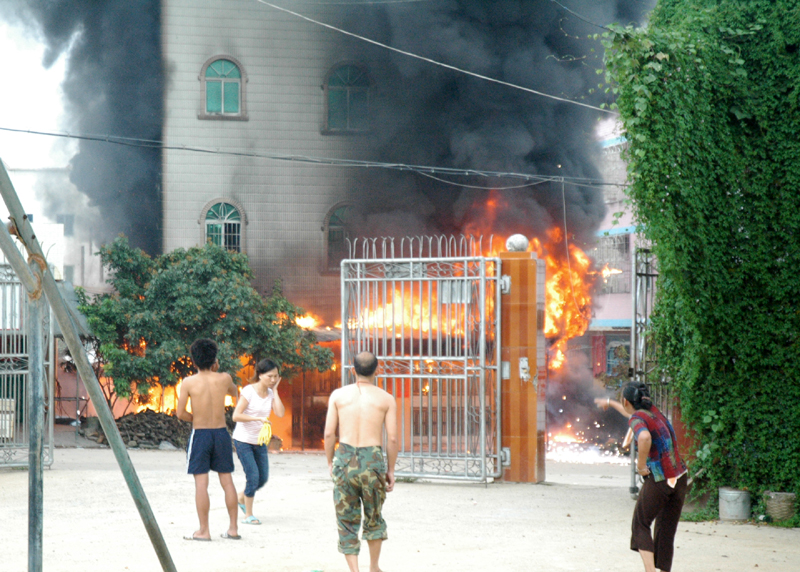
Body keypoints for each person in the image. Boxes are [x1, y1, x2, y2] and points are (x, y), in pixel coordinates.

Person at [595, 382, 688, 572]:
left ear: (626, 401)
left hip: (662, 478)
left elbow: (644, 437)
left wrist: (640, 465)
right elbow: (630, 412)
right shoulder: (653, 411)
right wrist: (610, 403)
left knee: (641, 524)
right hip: (680, 477)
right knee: (665, 530)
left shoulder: (637, 419)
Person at [324, 351, 398, 572]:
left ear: (352, 369)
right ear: (377, 370)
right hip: (372, 460)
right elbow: (392, 438)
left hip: (344, 458)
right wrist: (391, 470)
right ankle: (374, 567)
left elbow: (329, 434)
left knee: (346, 520)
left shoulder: (338, 396)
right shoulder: (386, 398)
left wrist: (330, 462)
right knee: (374, 516)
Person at [177, 338, 241, 541]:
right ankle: (233, 529)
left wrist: (195, 418)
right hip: (221, 433)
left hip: (201, 434)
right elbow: (236, 392)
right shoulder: (224, 378)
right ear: (215, 360)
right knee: (227, 481)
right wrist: (217, 370)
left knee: (201, 484)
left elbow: (180, 413)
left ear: (193, 361)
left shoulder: (188, 382)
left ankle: (204, 531)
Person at [231, 358, 285, 525]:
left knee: (262, 478)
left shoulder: (270, 393)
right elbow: (236, 416)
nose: (273, 379)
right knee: (253, 476)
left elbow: (280, 413)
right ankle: (248, 515)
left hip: (260, 441)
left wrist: (275, 391)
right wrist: (257, 419)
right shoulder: (249, 391)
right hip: (243, 440)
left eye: (276, 376)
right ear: (260, 375)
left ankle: (241, 497)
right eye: (270, 376)